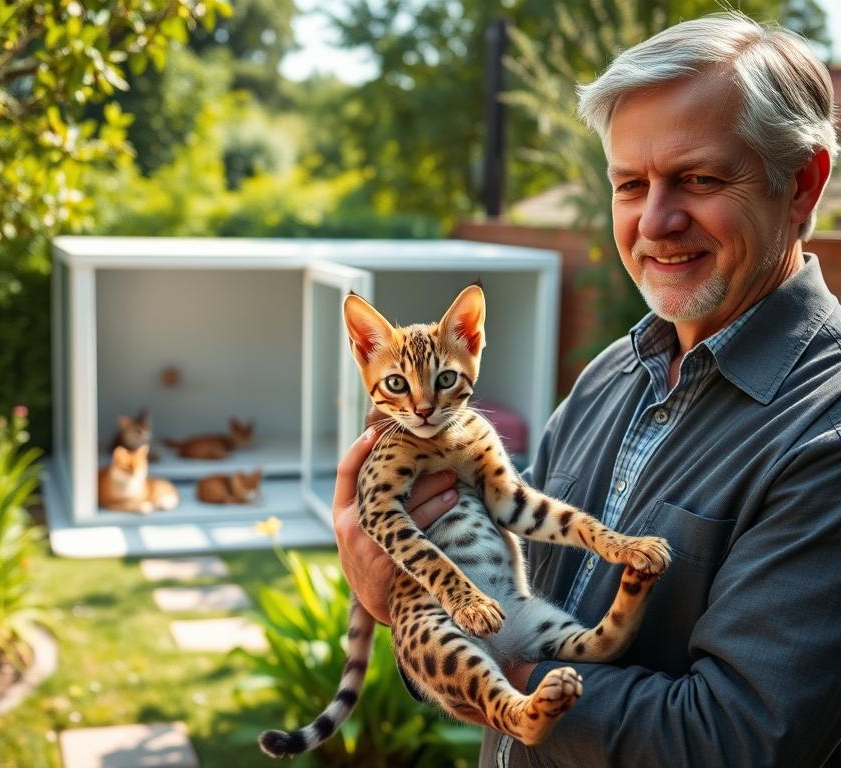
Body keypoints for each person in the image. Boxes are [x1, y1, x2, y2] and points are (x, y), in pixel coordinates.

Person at [332, 11, 841, 767]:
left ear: (800, 185)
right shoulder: (611, 375)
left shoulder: (823, 432)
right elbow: (510, 584)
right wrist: (400, 597)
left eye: (699, 178)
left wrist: (494, 673)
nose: (656, 221)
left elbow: (735, 739)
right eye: (630, 184)